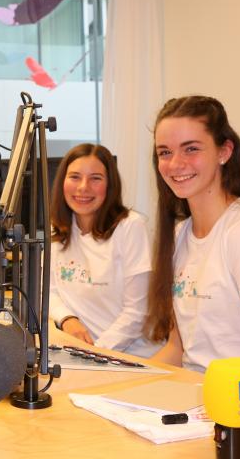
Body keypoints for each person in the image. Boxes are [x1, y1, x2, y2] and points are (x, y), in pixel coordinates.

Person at [146, 95, 240, 393]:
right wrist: (125, 384)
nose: (175, 163)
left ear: (224, 152)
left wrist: (211, 400)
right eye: (165, 152)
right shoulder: (180, 235)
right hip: (198, 396)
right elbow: (177, 349)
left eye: (191, 149)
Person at [49, 143, 160, 357]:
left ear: (110, 185)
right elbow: (48, 292)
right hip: (82, 353)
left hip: (130, 357)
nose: (83, 187)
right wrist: (67, 319)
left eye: (95, 178)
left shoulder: (130, 227)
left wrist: (95, 352)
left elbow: (137, 312)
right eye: (74, 177)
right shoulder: (57, 230)